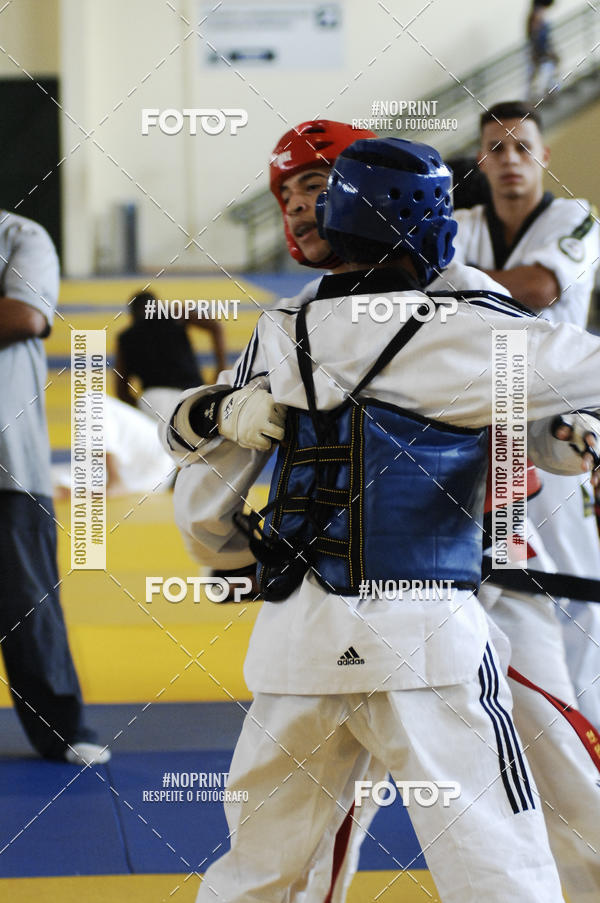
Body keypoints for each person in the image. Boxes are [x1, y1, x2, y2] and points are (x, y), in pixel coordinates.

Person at [163, 136, 600, 902]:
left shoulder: (282, 330)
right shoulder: (475, 324)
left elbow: (200, 498)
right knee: (500, 867)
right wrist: (578, 430)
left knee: (259, 871)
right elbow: (564, 382)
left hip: (295, 646)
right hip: (428, 637)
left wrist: (234, 554)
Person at [452, 99, 600, 730]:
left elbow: (540, 287)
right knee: (498, 582)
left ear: (543, 155)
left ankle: (591, 730)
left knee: (576, 588)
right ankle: (514, 728)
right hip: (485, 427)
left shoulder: (577, 218)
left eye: (522, 147)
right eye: (496, 148)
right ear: (481, 161)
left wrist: (457, 280)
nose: (510, 159)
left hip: (557, 425)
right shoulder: (463, 222)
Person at [0, 210, 109, 765]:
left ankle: (62, 731)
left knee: (28, 602)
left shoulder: (19, 235)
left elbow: (23, 315)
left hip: (9, 460)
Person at [115, 289, 226, 422]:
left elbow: (121, 392)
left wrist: (140, 409)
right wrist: (220, 369)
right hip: (191, 394)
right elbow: (215, 327)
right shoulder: (175, 314)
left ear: (132, 314)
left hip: (152, 399)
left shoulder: (126, 337)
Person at [527, 0, 560, 102]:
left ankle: (547, 92)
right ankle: (539, 95)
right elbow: (536, 38)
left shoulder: (538, 14)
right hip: (540, 52)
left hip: (542, 51)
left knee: (547, 72)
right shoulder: (537, 15)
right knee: (541, 74)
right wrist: (543, 52)